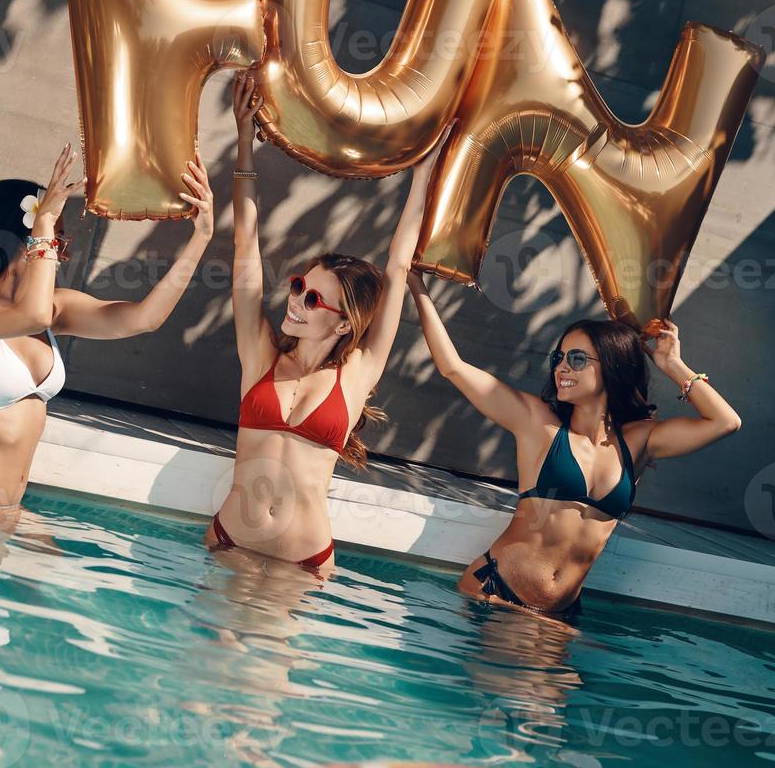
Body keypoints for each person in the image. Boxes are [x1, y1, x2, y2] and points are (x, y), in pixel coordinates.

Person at [204, 70, 439, 574]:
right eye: (297, 286)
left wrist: (423, 175)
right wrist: (246, 141)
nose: (296, 302)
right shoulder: (261, 354)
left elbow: (397, 270)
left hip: (302, 563)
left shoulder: (357, 373)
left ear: (342, 325)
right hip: (231, 541)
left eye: (313, 299)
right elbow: (247, 245)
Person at [0, 142, 214, 520]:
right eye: (57, 241)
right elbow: (32, 317)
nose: (61, 254)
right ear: (21, 239)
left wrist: (201, 237)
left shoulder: (57, 306)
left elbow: (144, 319)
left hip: (6, 508)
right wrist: (44, 226)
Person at [408, 274, 742, 622]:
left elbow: (725, 422)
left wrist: (673, 365)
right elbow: (453, 367)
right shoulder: (539, 423)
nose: (562, 368)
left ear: (611, 367)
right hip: (498, 593)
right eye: (560, 358)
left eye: (578, 359)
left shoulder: (639, 441)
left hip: (559, 613)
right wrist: (415, 283)